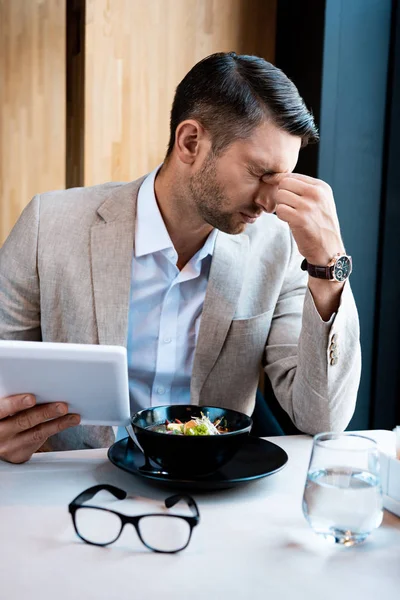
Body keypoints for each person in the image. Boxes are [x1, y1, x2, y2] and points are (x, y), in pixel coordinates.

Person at [0, 52, 361, 463]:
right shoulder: (49, 225)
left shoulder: (279, 249)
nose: (269, 201)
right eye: (260, 174)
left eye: (280, 180)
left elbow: (324, 418)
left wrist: (329, 268)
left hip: (212, 491)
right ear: (190, 142)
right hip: (72, 485)